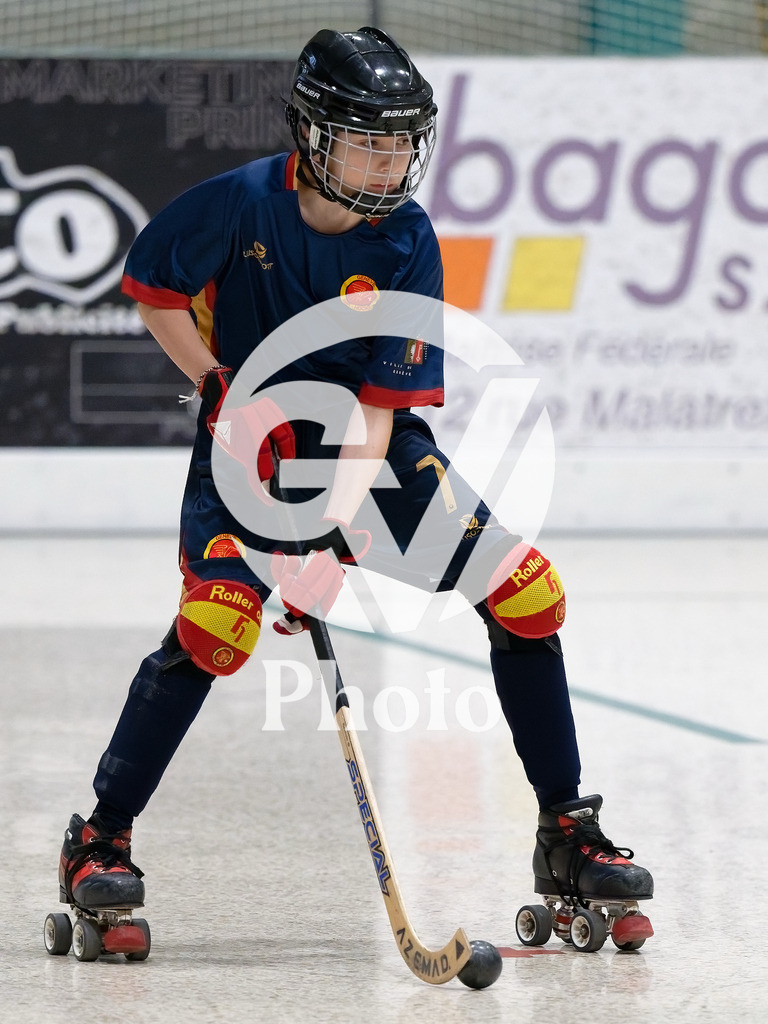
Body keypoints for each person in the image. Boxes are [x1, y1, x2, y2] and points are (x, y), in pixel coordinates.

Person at [53, 26, 653, 954]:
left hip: (369, 449)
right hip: (246, 447)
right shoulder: (238, 205)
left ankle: (566, 833)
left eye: (403, 141)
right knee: (218, 625)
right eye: (368, 139)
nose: (390, 161)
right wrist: (218, 384)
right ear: (311, 136)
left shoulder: (407, 239)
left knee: (530, 596)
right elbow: (154, 287)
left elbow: (381, 409)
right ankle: (99, 840)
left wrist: (329, 530)